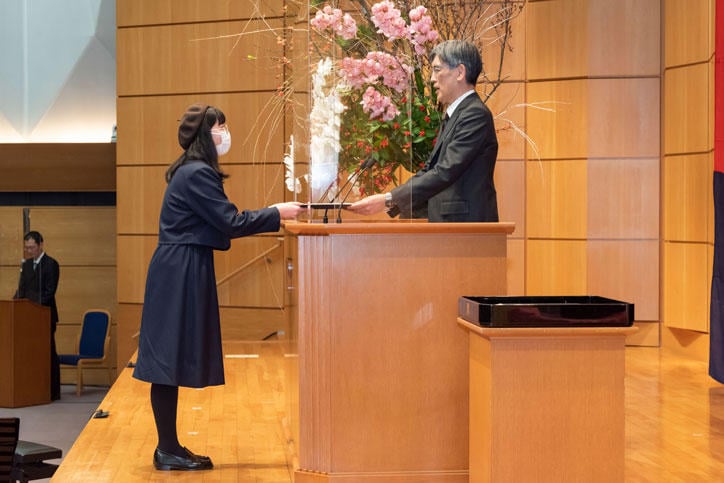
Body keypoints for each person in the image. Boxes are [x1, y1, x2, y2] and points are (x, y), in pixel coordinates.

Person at [132, 104, 303, 471]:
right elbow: (231, 222)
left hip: (181, 265)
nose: (226, 133)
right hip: (180, 269)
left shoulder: (191, 170)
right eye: (221, 126)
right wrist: (276, 212)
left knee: (170, 357)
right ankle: (167, 449)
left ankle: (169, 446)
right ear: (205, 135)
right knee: (167, 360)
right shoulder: (197, 173)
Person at [348, 40, 499, 222]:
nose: (432, 79)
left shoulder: (474, 115)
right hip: (450, 225)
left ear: (460, 72)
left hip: (467, 228)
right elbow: (430, 169)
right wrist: (391, 200)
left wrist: (388, 199)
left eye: (437, 70)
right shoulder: (455, 114)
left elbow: (444, 172)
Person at [14, 231, 61, 401]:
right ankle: (31, 389)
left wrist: (32, 306)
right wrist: (15, 303)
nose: (29, 251)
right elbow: (21, 289)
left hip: (44, 316)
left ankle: (52, 391)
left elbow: (49, 292)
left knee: (47, 353)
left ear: (41, 245)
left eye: (32, 247)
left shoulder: (51, 264)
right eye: (27, 248)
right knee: (29, 354)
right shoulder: (26, 265)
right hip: (27, 318)